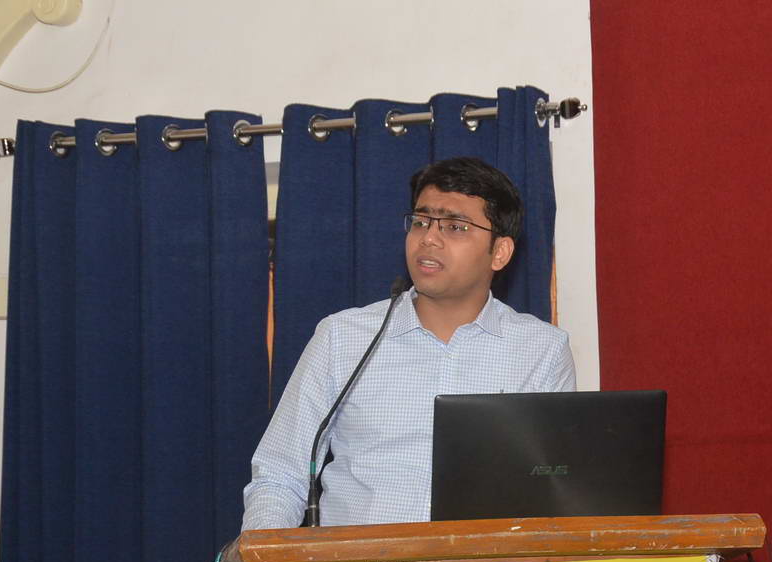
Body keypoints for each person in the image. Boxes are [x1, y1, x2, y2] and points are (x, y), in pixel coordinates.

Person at [241, 157, 575, 529]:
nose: (428, 238)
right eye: (420, 221)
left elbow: (554, 489)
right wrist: (266, 557)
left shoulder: (542, 350)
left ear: (500, 252)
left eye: (455, 226)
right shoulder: (343, 337)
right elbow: (279, 477)